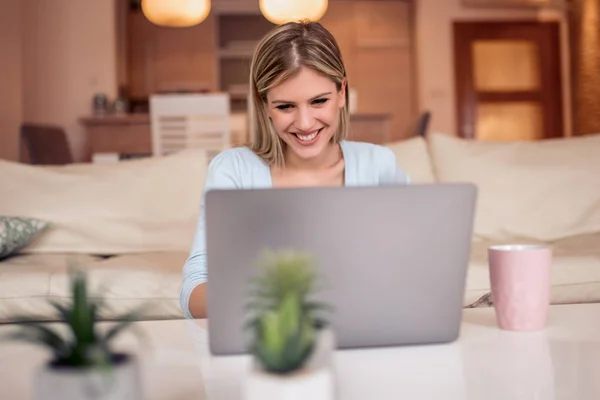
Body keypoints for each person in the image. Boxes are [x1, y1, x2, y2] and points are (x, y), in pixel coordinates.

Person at [180, 20, 410, 319]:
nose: (304, 123)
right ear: (264, 105)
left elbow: (411, 269)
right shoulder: (233, 171)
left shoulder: (379, 166)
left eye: (319, 101)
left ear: (341, 93)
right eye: (285, 106)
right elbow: (195, 291)